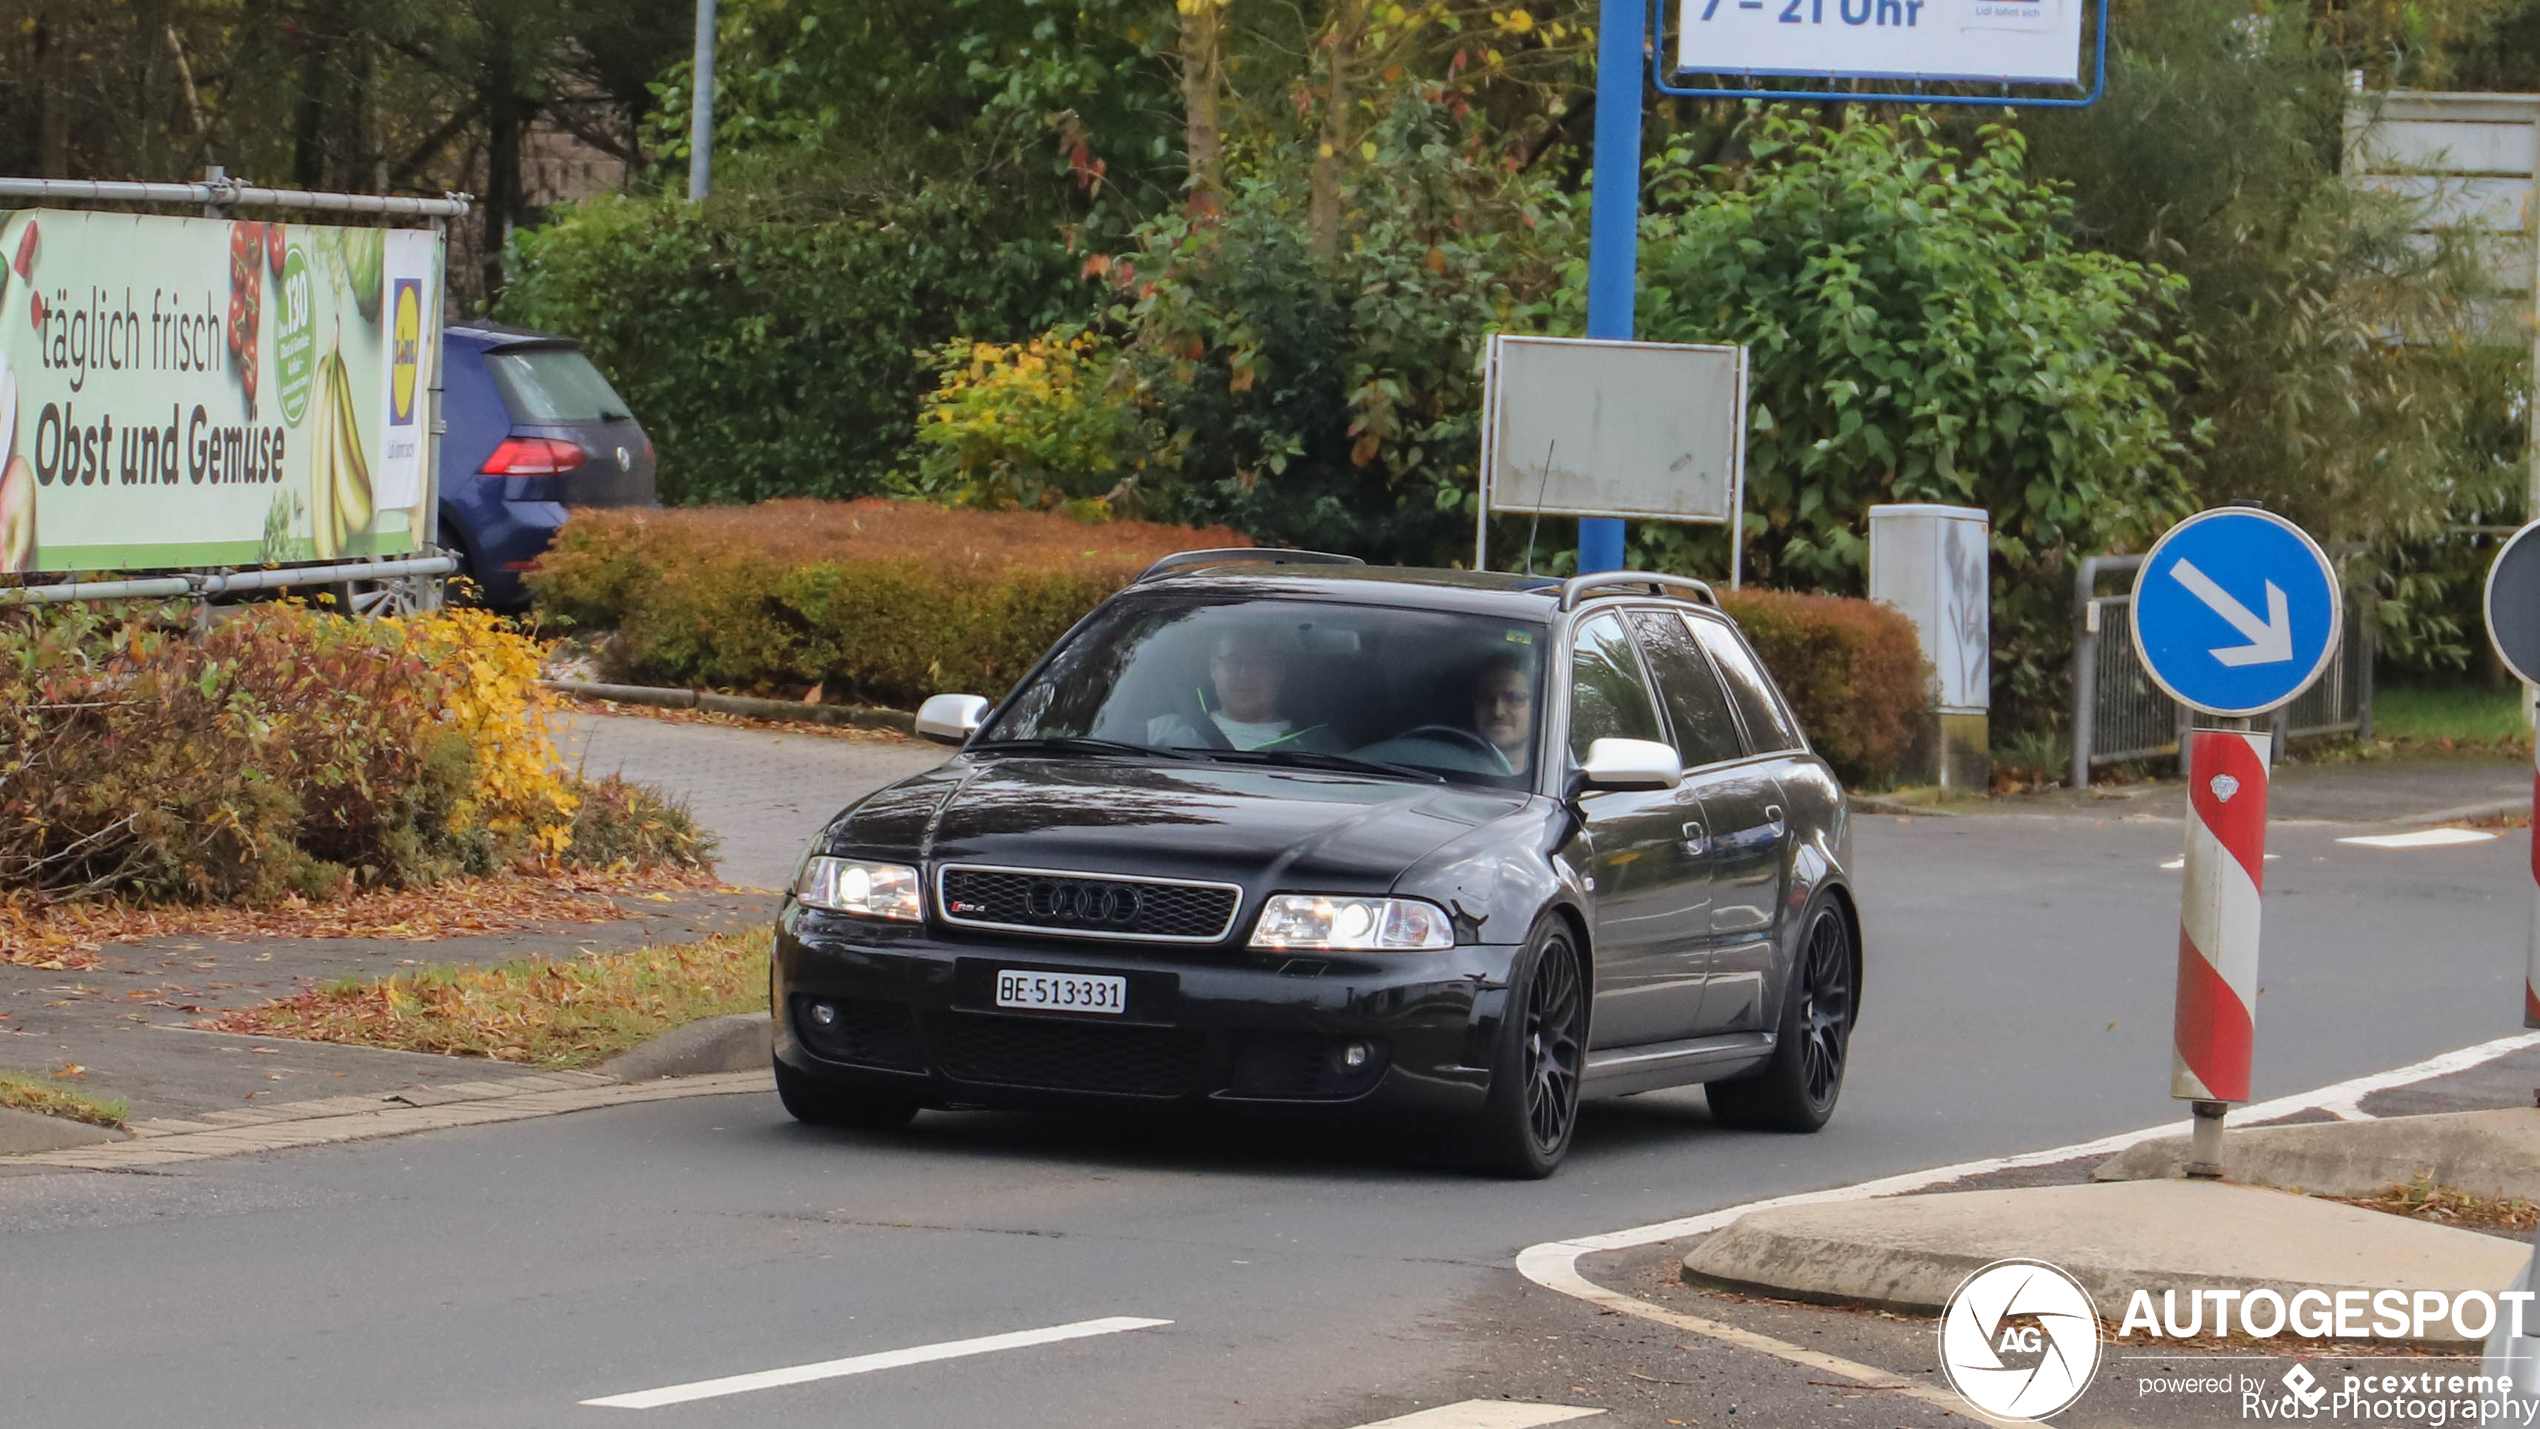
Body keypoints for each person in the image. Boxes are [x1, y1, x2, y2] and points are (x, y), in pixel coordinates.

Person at [1146, 626, 1343, 752]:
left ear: (1278, 672)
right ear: (1213, 669)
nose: (1244, 674)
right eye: (1233, 662)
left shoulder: (1320, 748)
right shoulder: (1159, 732)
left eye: (1258, 663)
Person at [1470, 651, 1537, 773]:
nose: (1497, 712)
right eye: (1486, 699)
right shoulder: (1446, 764)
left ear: (1537, 705)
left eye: (1514, 698)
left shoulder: (1558, 776)